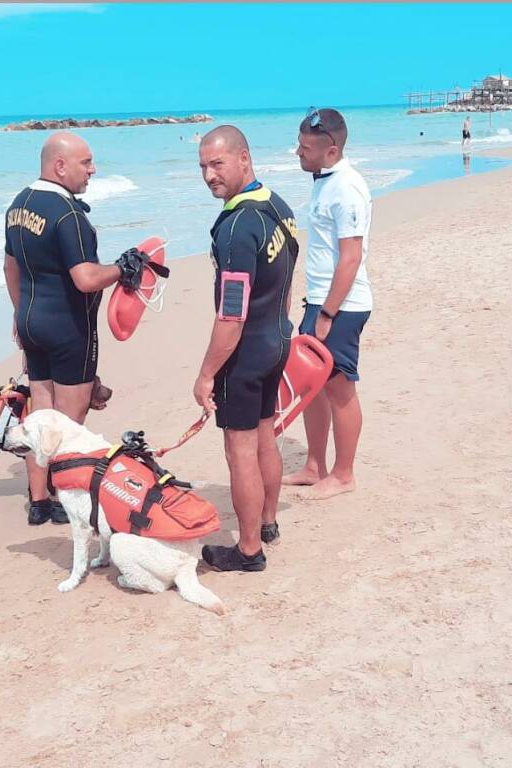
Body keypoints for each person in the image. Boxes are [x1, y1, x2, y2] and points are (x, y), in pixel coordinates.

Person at [3, 132, 148, 525]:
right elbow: (85, 279)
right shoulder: (69, 215)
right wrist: (123, 268)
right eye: (86, 162)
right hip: (68, 329)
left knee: (39, 416)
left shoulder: (18, 205)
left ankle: (38, 501)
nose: (93, 169)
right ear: (59, 166)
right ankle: (66, 498)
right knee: (65, 426)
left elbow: (10, 268)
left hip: (31, 323)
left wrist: (21, 315)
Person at [193, 125, 299, 572]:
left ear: (243, 158)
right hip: (276, 340)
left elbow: (231, 316)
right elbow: (286, 279)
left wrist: (205, 374)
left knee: (240, 450)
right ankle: (269, 521)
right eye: (202, 167)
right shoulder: (278, 205)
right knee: (264, 437)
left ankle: (249, 549)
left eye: (217, 164)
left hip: (248, 352)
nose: (209, 176)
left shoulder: (237, 229)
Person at [282, 107, 372, 500]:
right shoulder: (323, 179)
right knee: (311, 388)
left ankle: (344, 473)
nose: (298, 153)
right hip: (318, 300)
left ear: (330, 150)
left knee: (339, 390)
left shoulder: (347, 188)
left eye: (304, 148)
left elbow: (350, 257)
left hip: (343, 306)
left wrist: (328, 314)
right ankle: (314, 465)